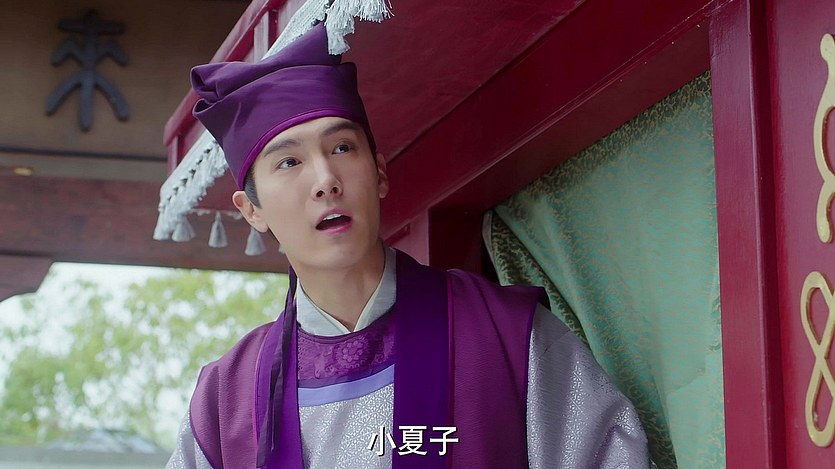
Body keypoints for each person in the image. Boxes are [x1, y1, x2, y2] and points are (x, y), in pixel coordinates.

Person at [166, 21, 649, 469]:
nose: (326, 179)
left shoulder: (507, 336)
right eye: (289, 163)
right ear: (252, 210)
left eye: (342, 148)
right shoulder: (225, 400)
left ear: (379, 173)